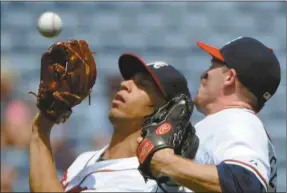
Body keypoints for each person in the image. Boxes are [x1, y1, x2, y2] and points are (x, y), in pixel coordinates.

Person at [29, 52, 192, 192]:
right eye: (129, 79)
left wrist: (41, 130)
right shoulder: (84, 160)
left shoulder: (148, 182)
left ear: (166, 112)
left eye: (143, 85)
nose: (124, 84)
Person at [138, 37, 281, 192]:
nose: (204, 74)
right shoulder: (234, 123)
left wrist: (167, 162)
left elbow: (244, 184)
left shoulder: (239, 121)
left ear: (229, 78)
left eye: (212, 65)